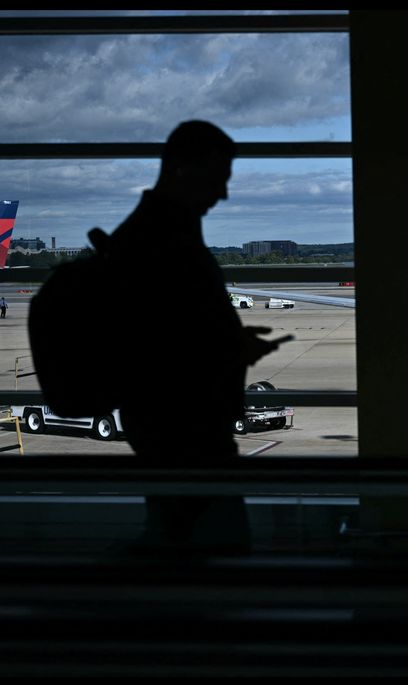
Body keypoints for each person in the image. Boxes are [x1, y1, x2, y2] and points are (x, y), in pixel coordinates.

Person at [107, 120, 285, 553]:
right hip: (184, 435)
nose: (223, 194)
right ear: (186, 171)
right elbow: (161, 351)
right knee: (208, 547)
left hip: (175, 430)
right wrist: (230, 350)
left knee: (179, 541)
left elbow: (166, 338)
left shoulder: (155, 234)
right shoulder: (164, 242)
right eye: (218, 179)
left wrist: (229, 345)